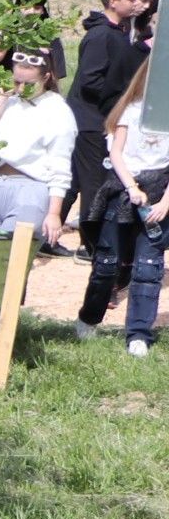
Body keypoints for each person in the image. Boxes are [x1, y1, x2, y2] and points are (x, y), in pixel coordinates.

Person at [0, 45, 77, 351]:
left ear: (47, 76)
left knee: (12, 264)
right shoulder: (10, 102)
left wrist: (54, 212)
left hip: (31, 187)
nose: (20, 88)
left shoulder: (56, 110)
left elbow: (61, 166)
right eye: (16, 81)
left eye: (27, 82)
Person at [71, 0, 156, 326]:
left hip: (106, 121)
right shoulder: (100, 36)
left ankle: (112, 264)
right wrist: (120, 105)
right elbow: (90, 82)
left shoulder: (120, 33)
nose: (139, 4)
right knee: (95, 197)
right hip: (92, 125)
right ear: (113, 1)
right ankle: (101, 260)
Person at [87, 58, 169, 358]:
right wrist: (131, 187)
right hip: (124, 190)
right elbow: (117, 153)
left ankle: (138, 333)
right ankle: (90, 316)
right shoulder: (131, 112)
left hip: (159, 195)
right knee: (107, 263)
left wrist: (165, 202)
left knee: (148, 269)